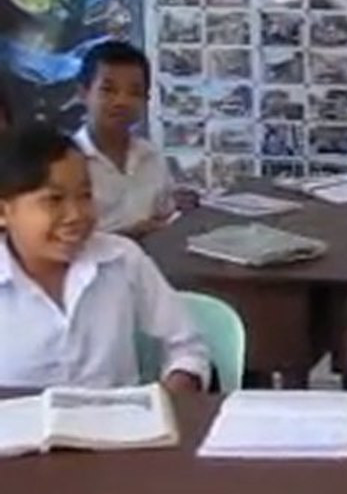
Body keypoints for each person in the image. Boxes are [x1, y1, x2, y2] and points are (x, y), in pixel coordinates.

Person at [0, 124, 209, 391]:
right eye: (54, 199)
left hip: (119, 425)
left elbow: (187, 346)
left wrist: (173, 395)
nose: (76, 215)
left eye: (85, 195)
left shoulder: (122, 259)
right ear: (4, 212)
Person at [73, 40, 196, 238]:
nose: (121, 101)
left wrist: (179, 208)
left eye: (134, 92)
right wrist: (129, 236)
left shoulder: (151, 156)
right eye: (108, 90)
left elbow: (165, 216)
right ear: (83, 93)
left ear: (146, 100)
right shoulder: (67, 163)